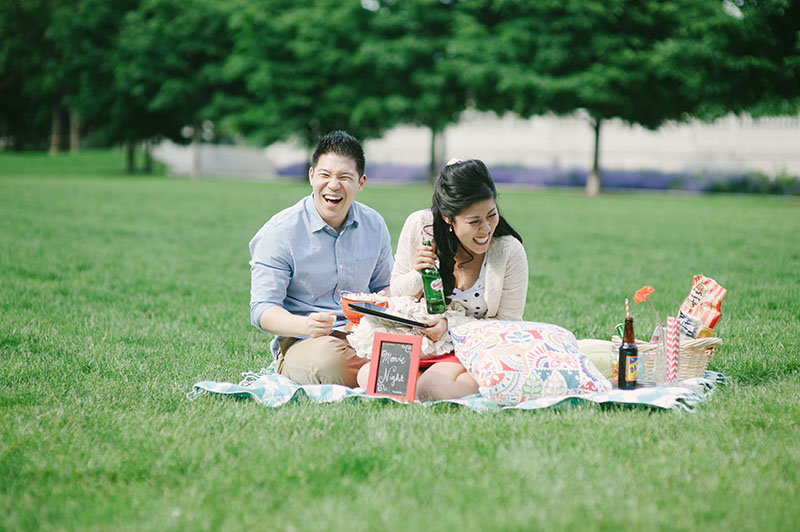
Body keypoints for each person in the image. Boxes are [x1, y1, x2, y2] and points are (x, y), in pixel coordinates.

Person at [358, 158, 528, 399]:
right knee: (370, 378)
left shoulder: (508, 251)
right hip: (419, 342)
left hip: (473, 347)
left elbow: (509, 325)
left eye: (491, 215)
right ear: (449, 218)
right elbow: (396, 292)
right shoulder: (420, 225)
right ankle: (424, 381)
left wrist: (450, 328)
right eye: (474, 221)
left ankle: (467, 380)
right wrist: (419, 274)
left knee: (432, 388)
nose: (486, 229)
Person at [249, 130, 394, 387]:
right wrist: (306, 325)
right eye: (325, 175)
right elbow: (262, 310)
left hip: (364, 334)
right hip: (306, 342)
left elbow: (385, 285)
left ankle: (387, 371)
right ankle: (394, 373)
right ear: (311, 176)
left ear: (361, 183)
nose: (334, 185)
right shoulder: (280, 232)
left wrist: (386, 300)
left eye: (345, 177)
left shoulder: (374, 224)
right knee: (326, 362)